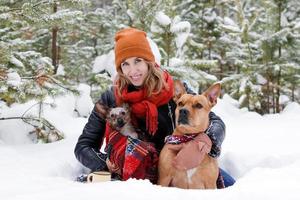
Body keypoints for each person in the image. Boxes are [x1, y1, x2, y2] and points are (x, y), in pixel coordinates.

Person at [74, 27, 235, 187]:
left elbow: (215, 122)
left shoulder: (173, 91)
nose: (133, 70)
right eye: (125, 64)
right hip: (135, 173)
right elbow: (83, 146)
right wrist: (106, 163)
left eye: (138, 61)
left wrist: (204, 140)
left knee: (233, 188)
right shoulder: (110, 99)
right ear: (120, 68)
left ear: (149, 62)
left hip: (179, 164)